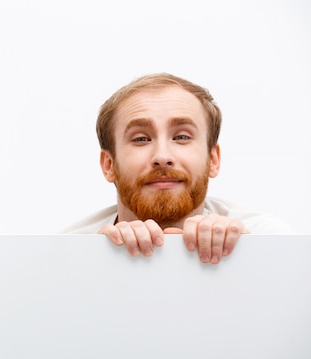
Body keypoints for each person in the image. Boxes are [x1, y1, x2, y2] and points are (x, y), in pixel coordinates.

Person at [63, 73, 292, 264]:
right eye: (141, 139)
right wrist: (94, 264)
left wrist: (250, 258)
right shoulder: (64, 255)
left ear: (213, 159)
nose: (162, 157)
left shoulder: (273, 241)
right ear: (108, 165)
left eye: (182, 137)